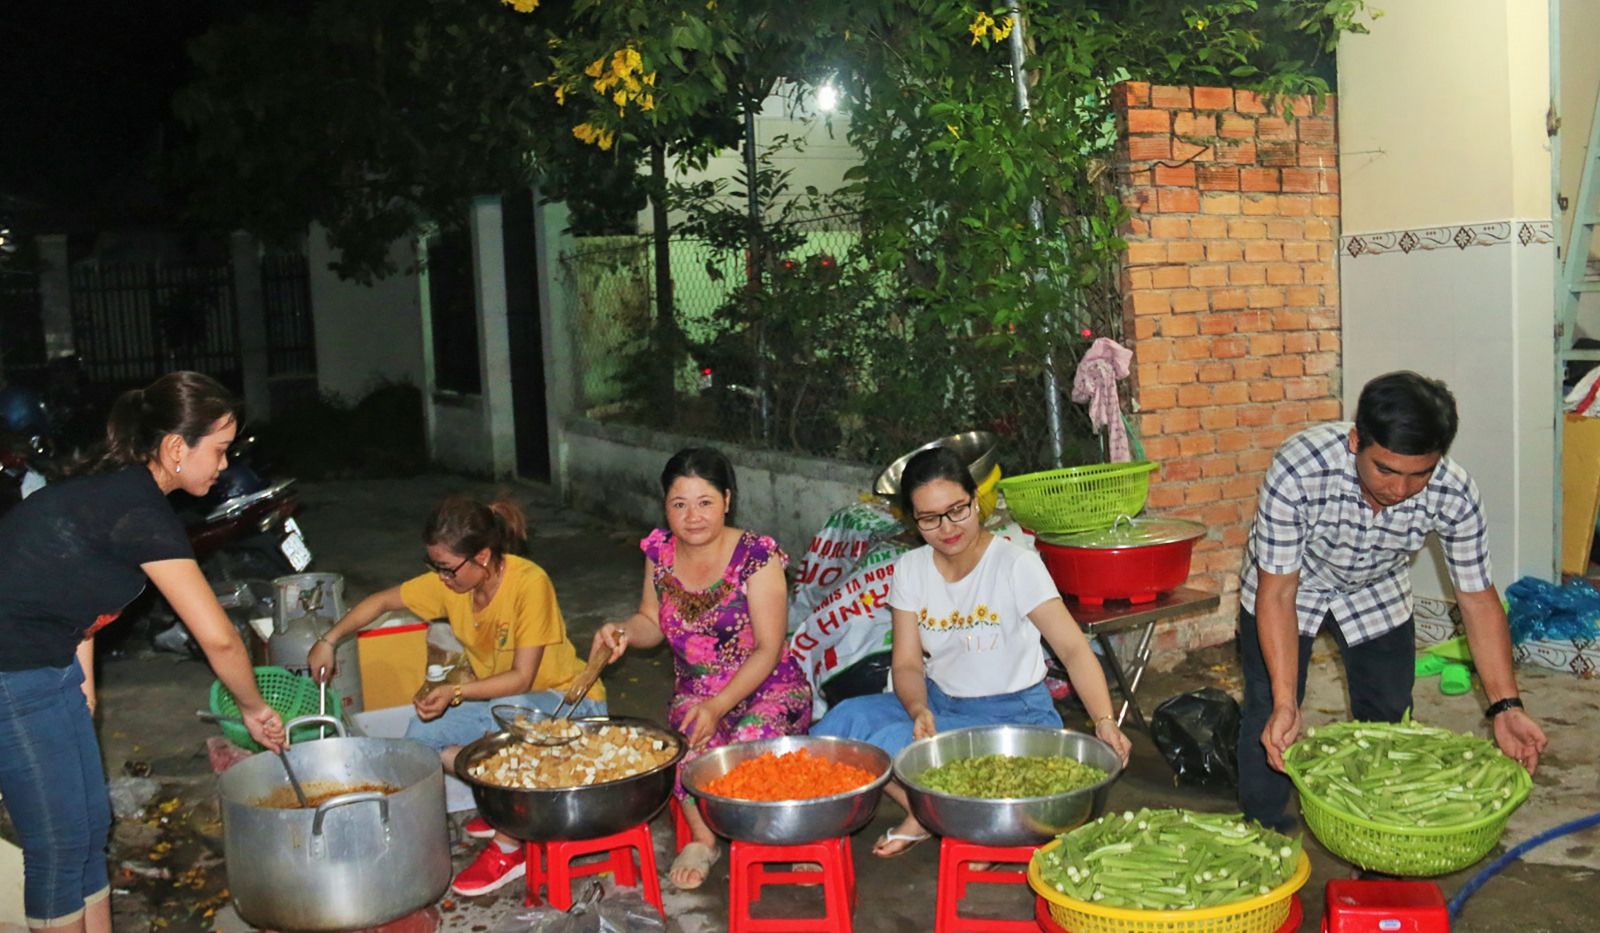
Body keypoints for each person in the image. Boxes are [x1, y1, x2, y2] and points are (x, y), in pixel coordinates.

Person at [0, 371, 287, 933]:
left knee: (90, 824)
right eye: (219, 449)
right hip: (12, 671)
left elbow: (74, 599)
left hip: (48, 663)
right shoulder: (139, 511)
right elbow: (219, 637)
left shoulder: (122, 496)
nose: (225, 464)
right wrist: (254, 708)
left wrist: (83, 694)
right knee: (58, 844)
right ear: (177, 448)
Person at [1238, 371, 1549, 830]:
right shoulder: (1300, 469)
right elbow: (1279, 592)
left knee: (1388, 720)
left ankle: (1376, 832)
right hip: (1292, 583)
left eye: (1419, 474)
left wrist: (1506, 706)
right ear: (1356, 441)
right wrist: (1287, 701)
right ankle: (1263, 829)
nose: (1399, 491)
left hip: (1377, 588)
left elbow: (1478, 602)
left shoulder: (1455, 492)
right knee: (1270, 710)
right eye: (1385, 470)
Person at [811, 446, 1132, 858]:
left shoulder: (1015, 565)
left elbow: (1072, 649)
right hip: (940, 702)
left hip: (1013, 716)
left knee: (897, 745)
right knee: (843, 723)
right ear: (913, 521)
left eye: (957, 510)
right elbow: (906, 663)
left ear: (975, 501)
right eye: (929, 518)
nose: (947, 528)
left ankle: (946, 820)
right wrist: (917, 708)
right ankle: (927, 814)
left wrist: (1104, 720)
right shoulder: (911, 569)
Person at [308, 494, 604, 897]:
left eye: (447, 568)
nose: (441, 577)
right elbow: (381, 602)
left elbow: (521, 678)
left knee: (511, 732)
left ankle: (511, 843)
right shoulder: (452, 583)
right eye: (434, 566)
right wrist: (328, 640)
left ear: (482, 556)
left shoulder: (529, 583)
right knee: (419, 739)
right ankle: (505, 800)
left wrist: (455, 691)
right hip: (503, 703)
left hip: (568, 704)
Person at [591, 448, 811, 890]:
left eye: (705, 502)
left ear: (727, 500)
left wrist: (720, 705)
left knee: (750, 742)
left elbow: (768, 648)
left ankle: (790, 834)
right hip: (696, 691)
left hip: (769, 686)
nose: (692, 517)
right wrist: (623, 632)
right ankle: (704, 839)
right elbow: (651, 621)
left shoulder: (757, 557)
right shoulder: (660, 552)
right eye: (680, 504)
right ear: (665, 506)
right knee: (685, 747)